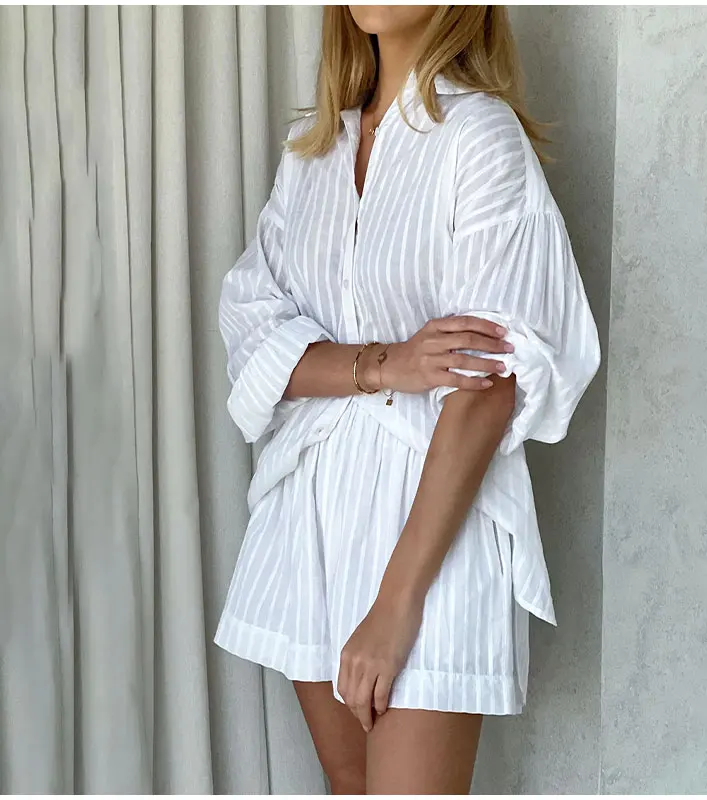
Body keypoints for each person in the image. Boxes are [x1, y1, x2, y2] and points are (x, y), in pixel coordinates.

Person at [214, 5, 601, 794]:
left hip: (430, 524)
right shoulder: (311, 150)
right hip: (310, 514)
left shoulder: (480, 137)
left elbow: (489, 382)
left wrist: (396, 605)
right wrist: (388, 365)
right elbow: (253, 337)